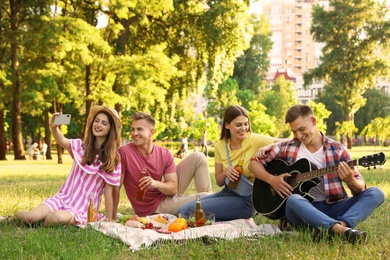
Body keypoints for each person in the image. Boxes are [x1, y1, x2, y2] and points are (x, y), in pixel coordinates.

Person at [248, 104, 384, 243]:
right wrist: (272, 180)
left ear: (313, 121)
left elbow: (360, 188)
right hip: (302, 211)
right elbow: (253, 163)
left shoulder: (338, 149)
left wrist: (351, 180)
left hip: (334, 206)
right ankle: (338, 228)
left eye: (301, 129)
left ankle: (337, 228)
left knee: (376, 193)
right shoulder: (287, 148)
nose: (299, 136)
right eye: (294, 132)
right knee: (294, 199)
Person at [11, 105, 122, 226]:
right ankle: (9, 219)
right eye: (96, 121)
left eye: (104, 123)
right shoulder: (80, 147)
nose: (98, 125)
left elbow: (109, 192)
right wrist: (54, 128)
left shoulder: (113, 159)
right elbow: (62, 140)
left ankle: (44, 220)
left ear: (110, 128)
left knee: (55, 217)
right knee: (31, 216)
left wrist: (110, 220)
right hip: (62, 198)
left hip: (84, 208)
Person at [178, 105, 285, 221]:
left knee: (190, 212)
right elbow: (219, 182)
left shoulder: (254, 140)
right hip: (227, 193)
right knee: (182, 211)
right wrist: (225, 172)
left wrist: (269, 146)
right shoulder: (220, 145)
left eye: (246, 124)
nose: (243, 128)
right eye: (238, 125)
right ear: (227, 125)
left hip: (248, 200)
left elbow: (289, 142)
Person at [116, 111, 212, 217]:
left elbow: (173, 189)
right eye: (133, 129)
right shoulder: (124, 153)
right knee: (206, 198)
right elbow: (115, 187)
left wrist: (155, 183)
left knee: (198, 157)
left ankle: (207, 210)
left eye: (139, 129)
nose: (134, 134)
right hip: (153, 208)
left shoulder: (164, 153)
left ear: (151, 132)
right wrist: (111, 216)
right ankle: (209, 203)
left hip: (164, 194)